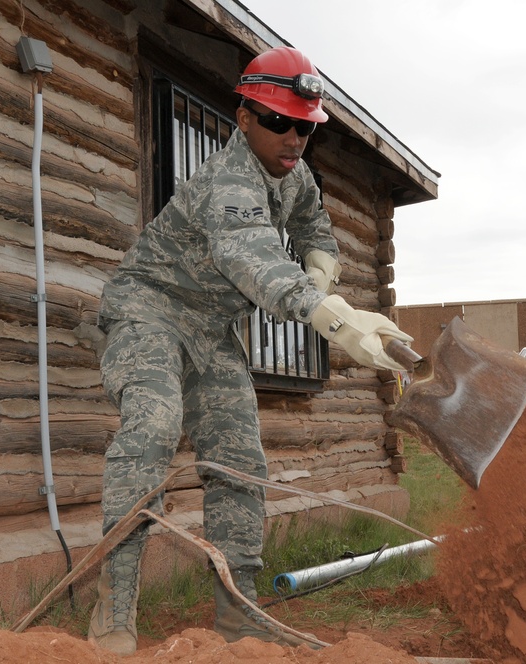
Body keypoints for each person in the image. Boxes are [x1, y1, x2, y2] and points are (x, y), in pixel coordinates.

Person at [87, 46, 413, 656]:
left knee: (239, 458)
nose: (294, 138)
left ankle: (239, 613)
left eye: (305, 127)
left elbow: (312, 221)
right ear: (244, 118)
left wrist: (323, 262)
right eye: (279, 122)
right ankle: (114, 607)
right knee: (153, 428)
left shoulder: (293, 175)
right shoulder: (228, 182)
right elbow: (253, 258)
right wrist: (332, 318)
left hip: (212, 328)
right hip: (150, 309)